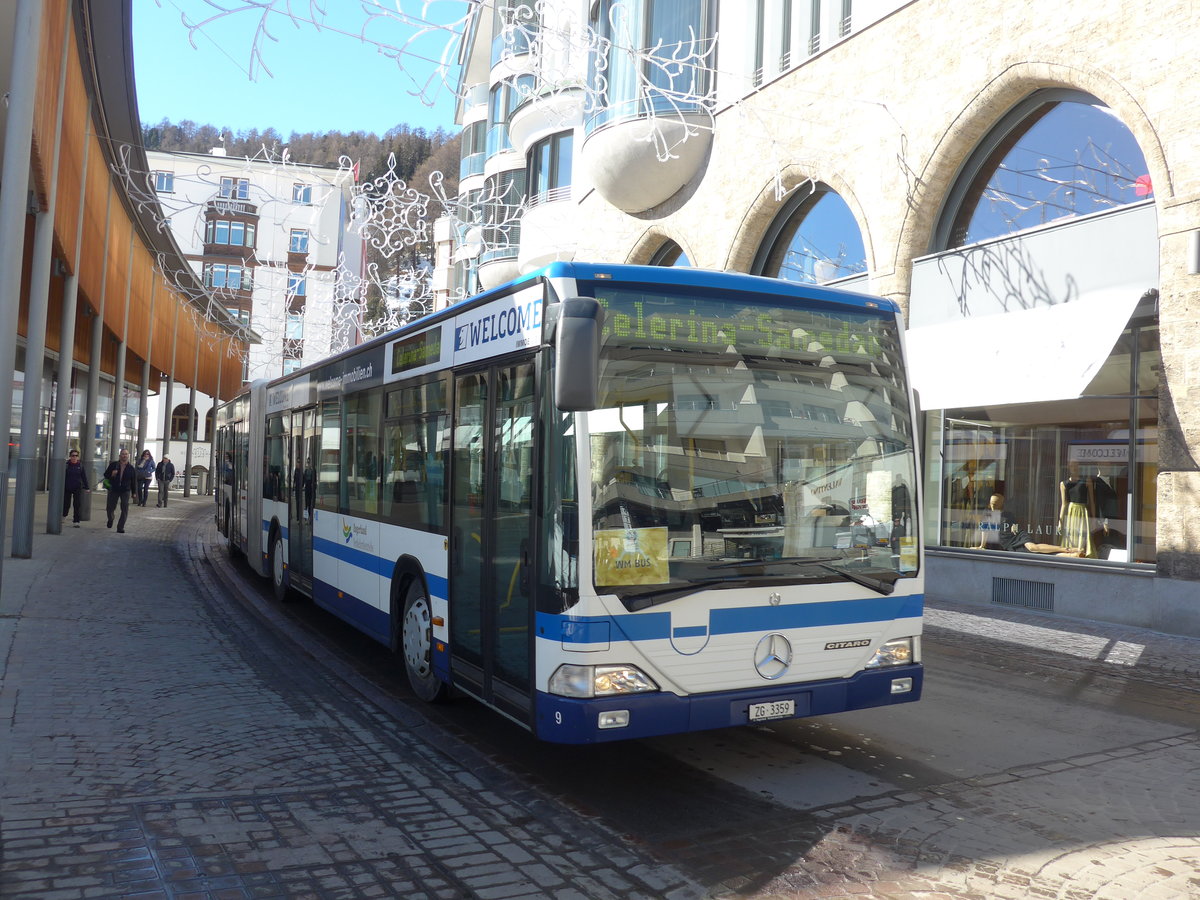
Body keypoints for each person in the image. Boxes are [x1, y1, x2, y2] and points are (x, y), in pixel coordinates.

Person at [976, 493, 1083, 556]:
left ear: (1001, 504)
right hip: (1009, 544)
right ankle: (1072, 555)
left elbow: (1015, 527)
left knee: (1033, 548)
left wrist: (1013, 528)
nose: (994, 506)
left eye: (997, 504)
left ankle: (1067, 549)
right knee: (1040, 553)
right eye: (992, 503)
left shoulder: (1007, 515)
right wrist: (981, 546)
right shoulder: (987, 516)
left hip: (1017, 537)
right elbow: (984, 531)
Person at [1059, 461, 1096, 558]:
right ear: (1068, 467)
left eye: (1076, 465)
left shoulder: (1086, 481)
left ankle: (1082, 554)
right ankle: (1071, 555)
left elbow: (1092, 501)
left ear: (1079, 467)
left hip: (1082, 511)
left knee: (1083, 535)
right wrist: (1060, 520)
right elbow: (1064, 504)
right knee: (1071, 535)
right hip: (1070, 512)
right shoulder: (1064, 484)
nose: (1074, 467)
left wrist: (1094, 517)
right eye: (1071, 465)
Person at [103, 449, 138, 533]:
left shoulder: (131, 468)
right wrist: (112, 474)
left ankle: (120, 527)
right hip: (114, 489)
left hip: (125, 490)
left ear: (128, 456)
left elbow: (133, 481)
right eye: (123, 454)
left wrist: (134, 492)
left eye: (126, 454)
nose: (124, 456)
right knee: (110, 508)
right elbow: (105, 475)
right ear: (120, 455)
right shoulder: (113, 465)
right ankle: (111, 519)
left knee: (125, 509)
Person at [63, 448, 90, 527]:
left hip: (77, 488)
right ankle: (64, 515)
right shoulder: (66, 465)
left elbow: (84, 477)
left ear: (78, 457)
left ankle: (76, 521)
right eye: (72, 455)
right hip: (67, 487)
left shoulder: (80, 466)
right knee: (66, 504)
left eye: (76, 456)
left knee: (77, 505)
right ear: (70, 456)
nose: (74, 457)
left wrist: (87, 487)